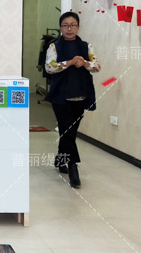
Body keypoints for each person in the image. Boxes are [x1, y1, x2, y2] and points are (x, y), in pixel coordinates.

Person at [44, 12, 100, 188]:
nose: (69, 29)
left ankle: (61, 158)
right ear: (61, 27)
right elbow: (49, 67)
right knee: (67, 129)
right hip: (60, 95)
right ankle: (73, 166)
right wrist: (69, 62)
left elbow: (96, 66)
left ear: (78, 27)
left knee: (70, 131)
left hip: (81, 94)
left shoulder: (86, 46)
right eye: (65, 25)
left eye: (73, 25)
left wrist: (85, 63)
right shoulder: (54, 46)